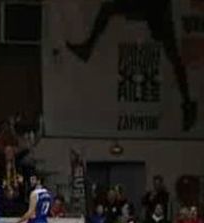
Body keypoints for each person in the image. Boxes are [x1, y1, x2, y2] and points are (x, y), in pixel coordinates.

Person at [65, 0, 197, 131]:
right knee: (173, 56)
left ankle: (188, 104)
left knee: (108, 9)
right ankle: (187, 103)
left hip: (155, 8)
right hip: (155, 8)